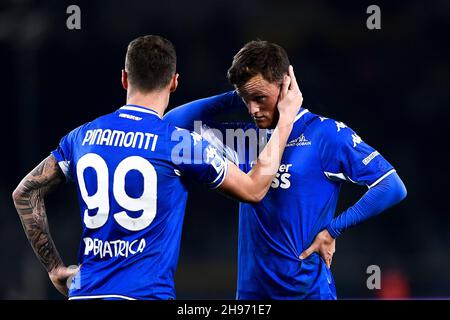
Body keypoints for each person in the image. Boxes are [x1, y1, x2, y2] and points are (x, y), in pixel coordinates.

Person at [12, 35, 303, 300]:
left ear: (124, 79)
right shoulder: (178, 143)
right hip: (145, 295)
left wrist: (54, 268)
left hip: (85, 293)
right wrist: (286, 119)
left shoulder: (82, 136)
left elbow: (24, 193)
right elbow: (254, 189)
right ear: (174, 82)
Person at [164, 40, 407, 299]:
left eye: (259, 98)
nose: (253, 110)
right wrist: (235, 98)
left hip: (309, 294)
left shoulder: (324, 135)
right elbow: (171, 123)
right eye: (246, 100)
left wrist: (334, 229)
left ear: (285, 87)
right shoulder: (244, 137)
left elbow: (391, 186)